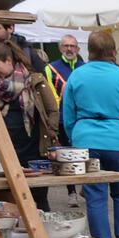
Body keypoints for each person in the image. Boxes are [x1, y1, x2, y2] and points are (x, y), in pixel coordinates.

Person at [61, 30, 119, 238]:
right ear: (113, 51)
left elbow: (67, 114)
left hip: (87, 140)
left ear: (89, 51)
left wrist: (75, 138)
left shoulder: (77, 76)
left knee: (95, 197)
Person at [0, 40, 59, 212]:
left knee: (38, 198)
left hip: (33, 151)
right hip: (4, 151)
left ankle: (44, 234)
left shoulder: (35, 81)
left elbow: (53, 110)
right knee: (5, 197)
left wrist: (51, 134)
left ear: (9, 61)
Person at [46, 34, 85, 208]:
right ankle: (72, 192)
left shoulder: (85, 68)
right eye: (66, 46)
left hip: (82, 119)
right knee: (67, 155)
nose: (69, 49)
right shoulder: (51, 68)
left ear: (78, 49)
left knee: (84, 155)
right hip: (62, 120)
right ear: (61, 48)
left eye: (73, 46)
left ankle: (86, 187)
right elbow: (49, 96)